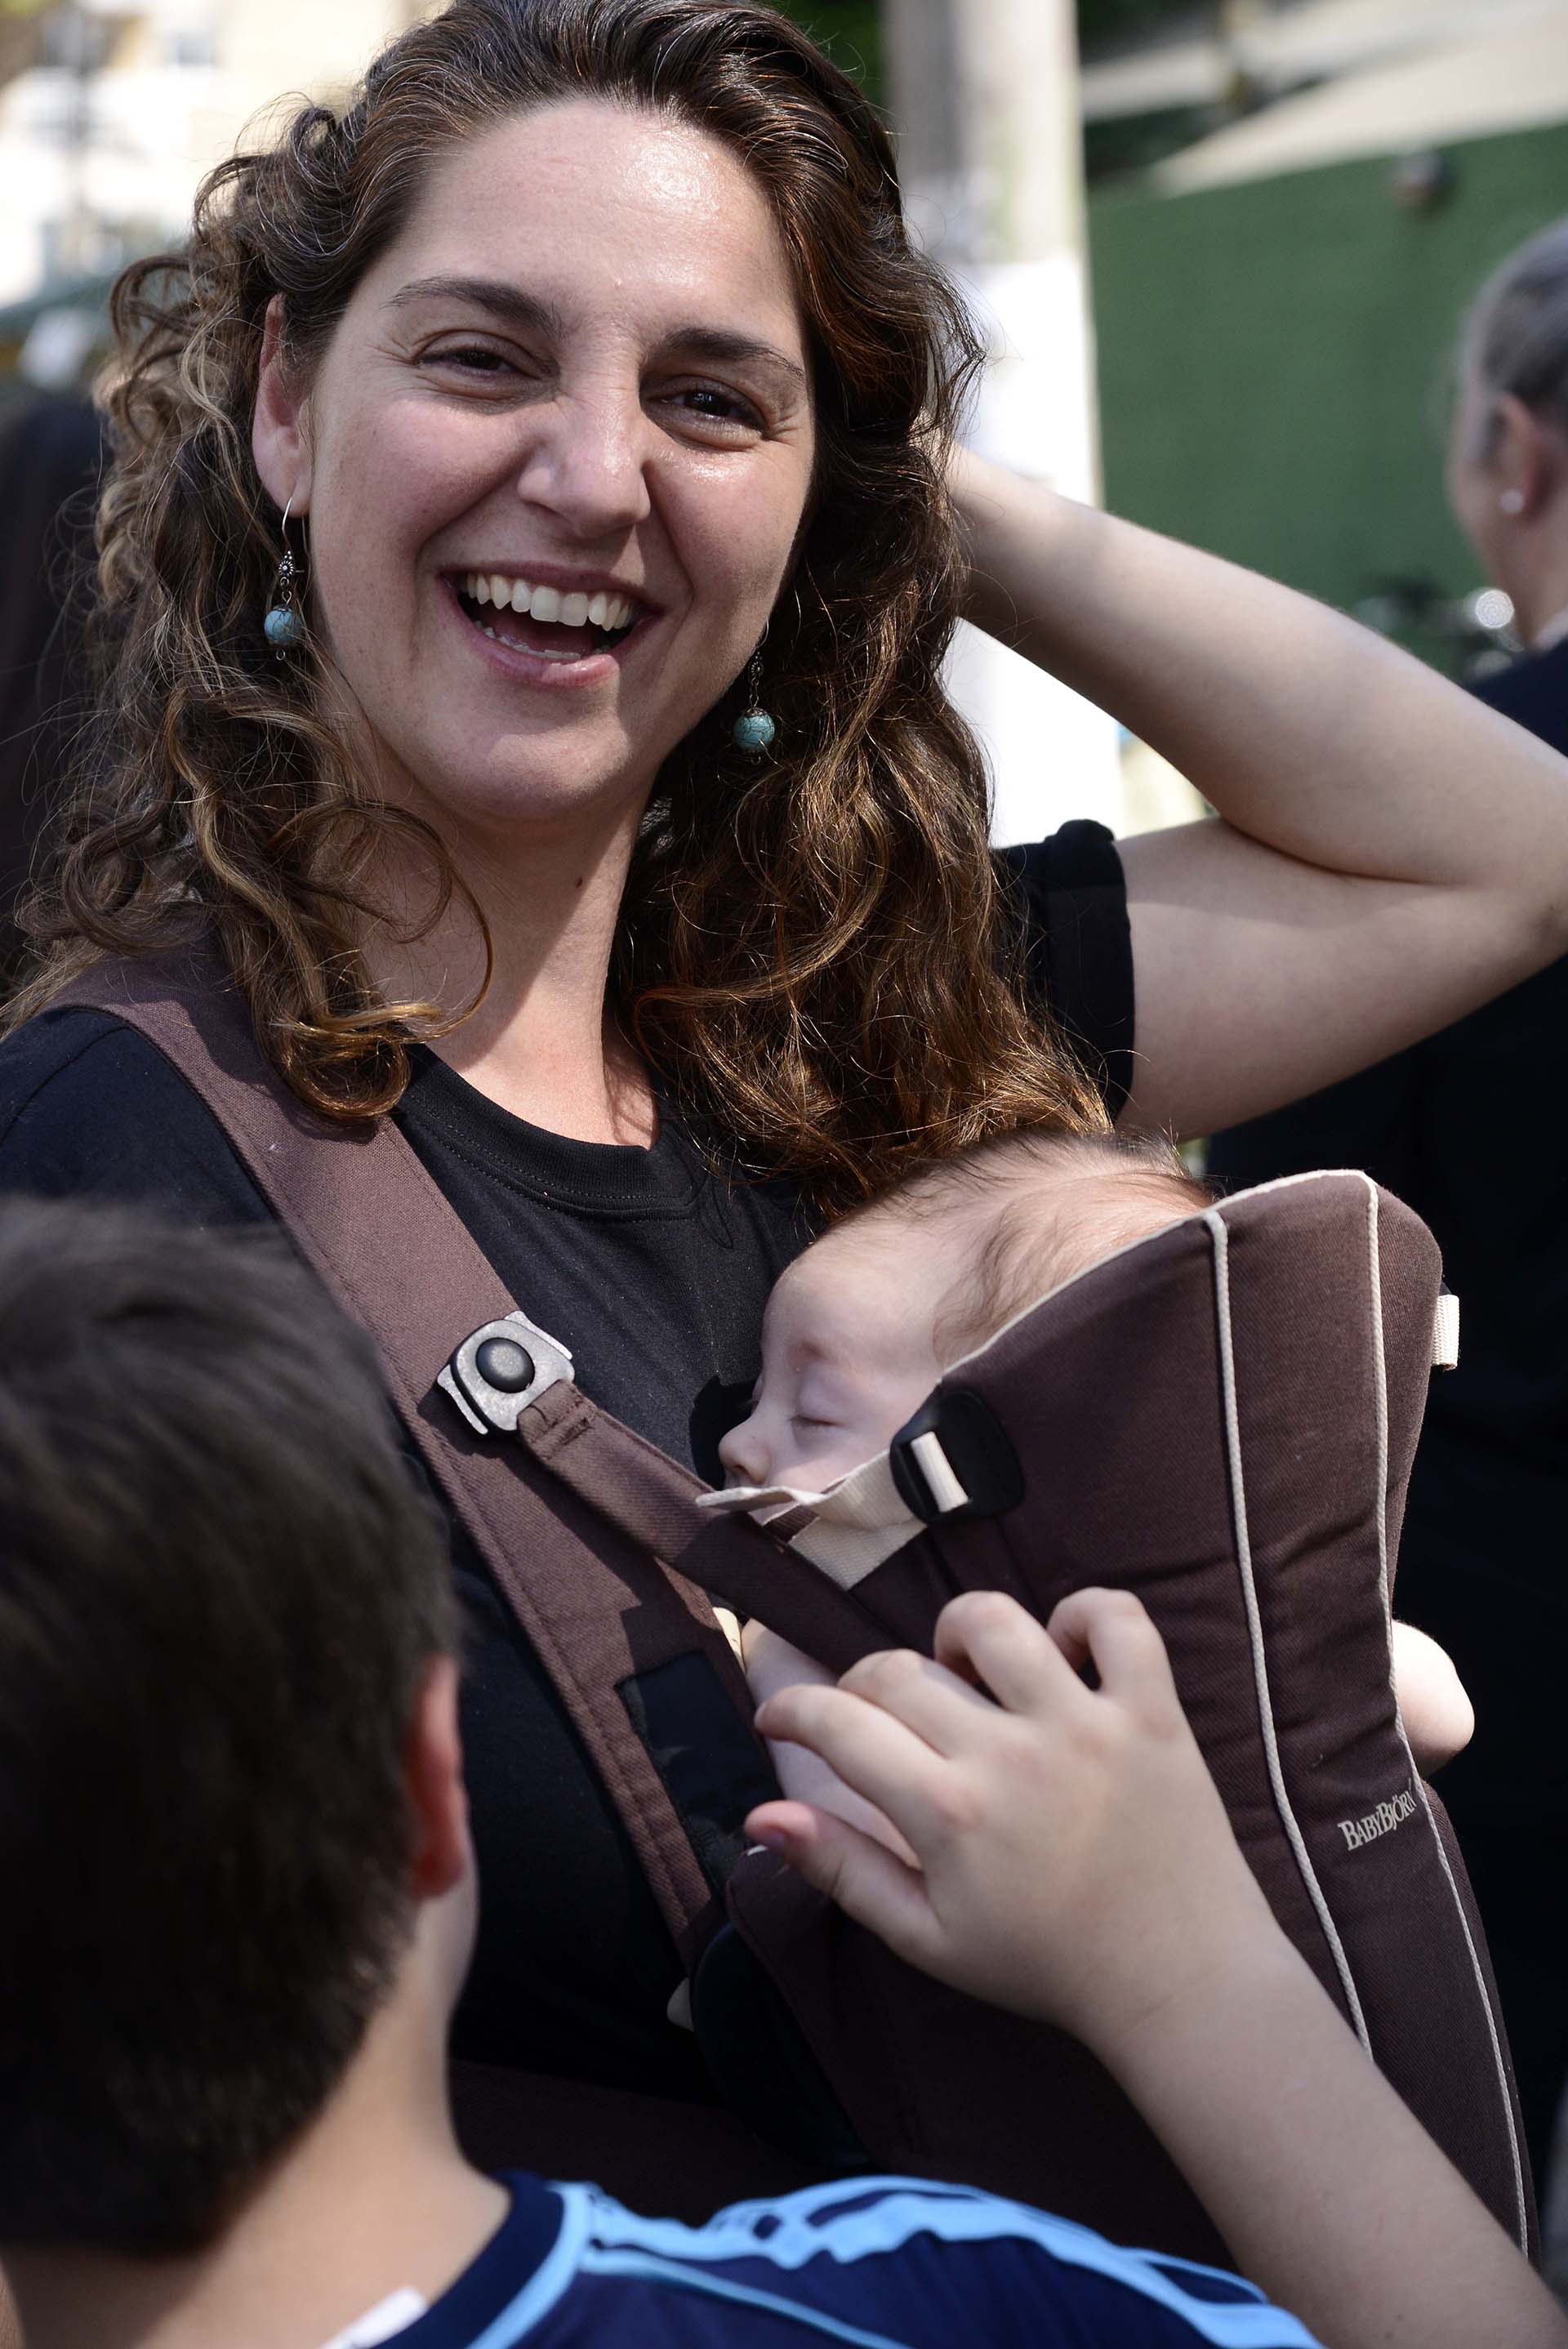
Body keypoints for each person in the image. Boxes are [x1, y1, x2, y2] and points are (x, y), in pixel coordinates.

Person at [4, 0, 1568, 2182]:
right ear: (286, 400)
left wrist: (896, 474)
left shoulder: (868, 1018)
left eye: (710, 395)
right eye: (484, 357)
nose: (592, 474)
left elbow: (1503, 850)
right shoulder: (93, 1172)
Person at [1, 1197, 1563, 2349]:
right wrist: (1181, 1973)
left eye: (802, 1409)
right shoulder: (948, 2299)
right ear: (430, 1785)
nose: (732, 1452)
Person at [1208, 214, 1568, 2184]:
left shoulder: (1442, 812)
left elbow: (1290, 1231)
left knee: (1453, 2179)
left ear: (1512, 449)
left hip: (1498, 1613)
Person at [715, 1129, 1473, 1853]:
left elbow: (1443, 1716)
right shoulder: (812, 1645)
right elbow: (857, 1840)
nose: (735, 1446)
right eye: (755, 1400)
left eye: (812, 1414)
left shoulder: (1201, 1626)